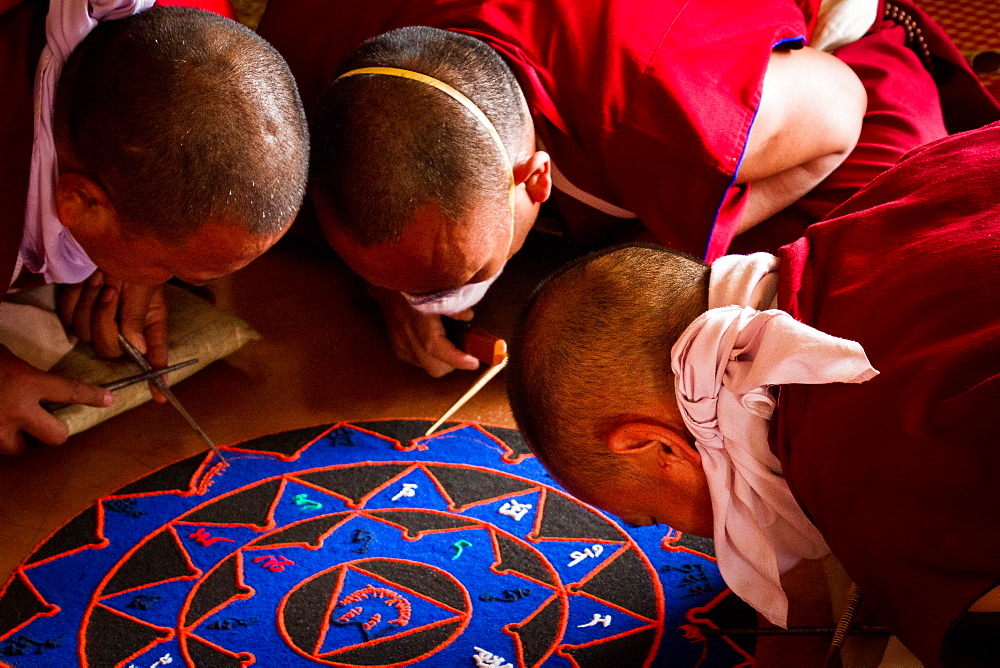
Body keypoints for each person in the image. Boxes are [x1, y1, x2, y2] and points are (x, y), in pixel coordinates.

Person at [256, 0, 1000, 377]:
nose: (448, 301)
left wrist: (661, 244)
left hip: (747, 63)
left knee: (887, 205)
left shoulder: (664, 114)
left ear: (536, 175)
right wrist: (393, 289)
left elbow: (839, 111)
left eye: (469, 275)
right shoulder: (303, 57)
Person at [506, 120, 1000, 666]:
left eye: (653, 515)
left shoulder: (886, 500)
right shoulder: (881, 199)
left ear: (656, 445)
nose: (699, 540)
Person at [0, 0, 310, 454]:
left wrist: (122, 249)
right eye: (173, 269)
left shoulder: (190, 42)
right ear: (82, 203)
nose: (167, 285)